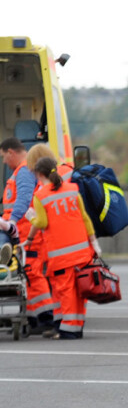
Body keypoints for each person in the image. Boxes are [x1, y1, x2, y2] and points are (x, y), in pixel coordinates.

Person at [26, 157, 100, 340]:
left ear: (39, 174)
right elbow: (84, 218)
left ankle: (69, 331)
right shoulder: (72, 189)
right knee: (79, 290)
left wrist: (31, 218)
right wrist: (94, 242)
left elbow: (42, 222)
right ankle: (75, 327)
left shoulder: (41, 196)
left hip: (60, 254)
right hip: (82, 251)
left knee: (65, 291)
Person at [0, 137, 56, 333]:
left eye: (4, 157)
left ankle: (46, 320)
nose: (4, 162)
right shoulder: (23, 171)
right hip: (22, 232)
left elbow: (23, 200)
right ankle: (33, 321)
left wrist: (12, 222)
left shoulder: (23, 171)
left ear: (11, 152)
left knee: (33, 276)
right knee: (29, 277)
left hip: (22, 231)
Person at [24, 143, 75, 335]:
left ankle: (61, 325)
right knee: (60, 284)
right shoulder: (66, 173)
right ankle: (61, 324)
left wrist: (31, 224)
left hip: (57, 240)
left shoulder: (49, 182)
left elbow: (44, 217)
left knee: (60, 284)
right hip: (64, 239)